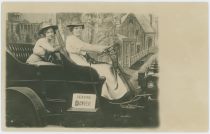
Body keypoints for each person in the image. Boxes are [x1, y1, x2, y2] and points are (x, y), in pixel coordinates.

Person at [65, 19, 131, 101]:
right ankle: (115, 94)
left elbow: (88, 45)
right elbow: (87, 47)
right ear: (72, 30)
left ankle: (115, 92)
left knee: (108, 66)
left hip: (82, 62)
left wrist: (104, 48)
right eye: (76, 28)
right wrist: (102, 49)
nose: (78, 30)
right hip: (80, 65)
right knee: (106, 68)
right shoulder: (71, 39)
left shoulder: (75, 39)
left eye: (79, 28)